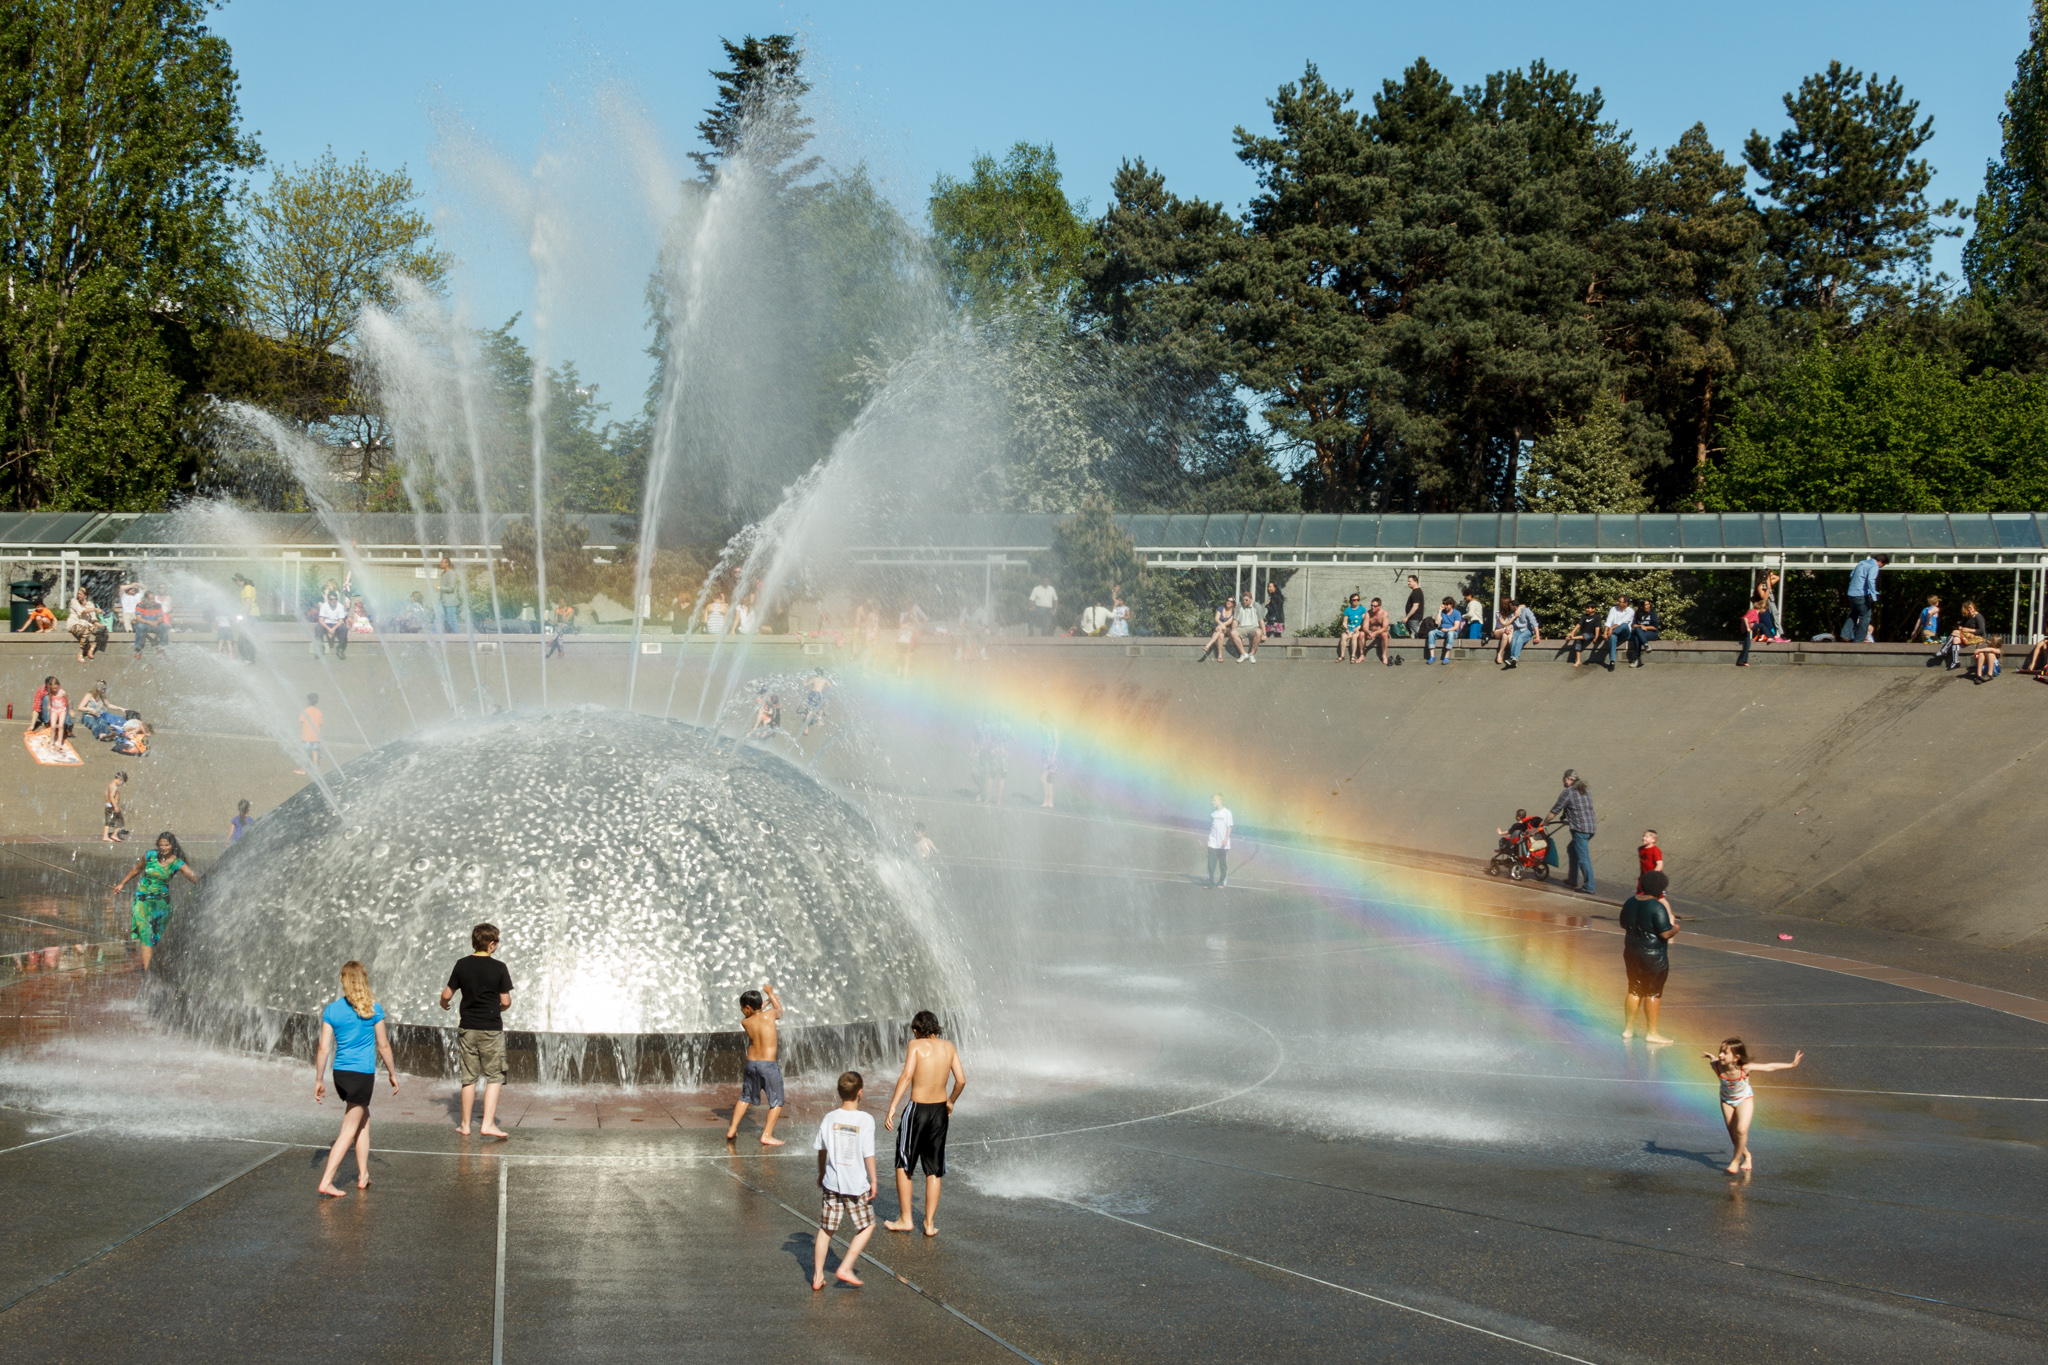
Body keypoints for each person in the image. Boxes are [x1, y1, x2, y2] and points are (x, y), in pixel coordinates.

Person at [313, 960, 399, 1198]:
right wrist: (392, 1073)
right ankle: (327, 1180)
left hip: (340, 1074)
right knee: (349, 1129)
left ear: (344, 981)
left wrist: (319, 1079)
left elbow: (323, 1048)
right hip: (362, 1075)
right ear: (363, 981)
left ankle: (363, 1175)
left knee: (363, 1120)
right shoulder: (373, 1008)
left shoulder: (332, 1010)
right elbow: (383, 1045)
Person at [883, 1009, 966, 1237]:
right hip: (939, 1110)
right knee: (934, 1169)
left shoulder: (915, 1045)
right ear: (936, 1028)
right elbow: (961, 1080)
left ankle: (906, 1219)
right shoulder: (949, 1047)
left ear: (916, 1030)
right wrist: (950, 1102)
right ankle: (929, 1224)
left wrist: (892, 1108)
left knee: (904, 1162)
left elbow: (906, 1076)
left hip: (917, 1111)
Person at [440, 922, 513, 1138]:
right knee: (495, 1075)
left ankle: (464, 1125)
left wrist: (443, 1004)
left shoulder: (462, 965)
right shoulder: (499, 967)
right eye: (497, 942)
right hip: (490, 1028)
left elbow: (446, 995)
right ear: (491, 944)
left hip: (467, 1027)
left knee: (469, 1076)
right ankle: (488, 1123)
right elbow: (506, 1001)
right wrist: (499, 1009)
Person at [811, 1070, 879, 1289]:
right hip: (856, 1184)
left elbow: (821, 1150)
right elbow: (868, 1153)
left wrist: (821, 1172)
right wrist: (874, 1180)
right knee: (867, 1225)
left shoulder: (829, 1118)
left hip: (832, 1183)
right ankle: (846, 1266)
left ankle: (818, 1276)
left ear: (839, 1093)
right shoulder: (865, 1120)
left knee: (826, 1230)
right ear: (860, 1093)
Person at [1705, 1038, 1802, 1175]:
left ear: (1736, 1057)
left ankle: (1735, 1161)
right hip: (1726, 1100)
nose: (1721, 1055)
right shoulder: (1716, 1065)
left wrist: (1791, 1065)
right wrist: (1712, 1057)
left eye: (1725, 1053)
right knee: (1733, 1135)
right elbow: (1714, 1059)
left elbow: (1769, 1067)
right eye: (1720, 1051)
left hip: (1744, 1099)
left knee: (1741, 1130)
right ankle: (1747, 1155)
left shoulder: (1745, 1068)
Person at [113, 831, 198, 970]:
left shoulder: (177, 863)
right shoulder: (150, 856)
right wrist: (122, 883)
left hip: (161, 904)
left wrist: (207, 882)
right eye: (161, 845)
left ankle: (160, 968)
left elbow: (192, 877)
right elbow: (136, 869)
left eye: (166, 845)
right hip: (142, 901)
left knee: (159, 937)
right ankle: (148, 974)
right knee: (146, 935)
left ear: (172, 845)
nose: (163, 848)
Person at [1619, 870, 1678, 1043]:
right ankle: (1652, 1033)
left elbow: (1623, 923)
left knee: (1634, 989)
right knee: (1653, 992)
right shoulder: (1656, 906)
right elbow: (1665, 933)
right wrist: (1676, 928)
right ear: (1660, 889)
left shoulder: (1630, 902)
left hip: (1631, 952)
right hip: (1653, 957)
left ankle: (1628, 1029)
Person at [725, 984, 786, 1146]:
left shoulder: (746, 1022)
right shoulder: (771, 1015)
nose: (742, 1012)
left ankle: (732, 1129)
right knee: (777, 1101)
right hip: (768, 1066)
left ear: (747, 1008)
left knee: (745, 1097)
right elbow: (779, 1010)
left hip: (751, 1065)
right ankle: (767, 1135)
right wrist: (771, 994)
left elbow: (756, 1013)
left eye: (742, 1008)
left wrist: (765, 1002)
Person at [1549, 769, 1597, 896]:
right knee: (1572, 849)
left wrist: (1544, 823)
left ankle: (1589, 886)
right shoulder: (1585, 790)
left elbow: (1555, 810)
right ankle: (1572, 879)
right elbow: (1580, 809)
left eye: (1563, 779)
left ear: (1568, 779)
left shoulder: (1568, 792)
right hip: (1591, 828)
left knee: (1583, 858)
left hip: (1580, 830)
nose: (1563, 782)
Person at [1841, 553, 1888, 644]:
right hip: (1861, 594)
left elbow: (1852, 575)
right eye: (1883, 565)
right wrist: (1873, 595)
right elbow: (1871, 579)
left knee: (1854, 613)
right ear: (1881, 561)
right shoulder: (1874, 566)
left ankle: (1845, 634)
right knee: (1865, 616)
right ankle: (1860, 639)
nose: (1882, 567)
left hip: (1851, 593)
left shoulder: (1862, 563)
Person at [1933, 600, 1987, 671]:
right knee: (1955, 640)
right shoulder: (1967, 617)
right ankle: (1955, 662)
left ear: (1974, 607)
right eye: (1968, 610)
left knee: (1954, 632)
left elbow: (1981, 630)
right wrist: (1960, 627)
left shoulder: (1978, 616)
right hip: (1969, 637)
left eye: (1971, 608)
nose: (1970, 611)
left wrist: (1967, 630)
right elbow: (1960, 624)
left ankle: (1944, 650)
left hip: (1978, 638)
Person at [1598, 594, 1635, 671]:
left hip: (1625, 634)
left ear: (1626, 603)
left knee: (1624, 625)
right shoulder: (1613, 609)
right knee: (1612, 637)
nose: (1617, 603)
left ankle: (1612, 633)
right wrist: (1605, 632)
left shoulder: (1630, 611)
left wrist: (1611, 629)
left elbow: (1621, 622)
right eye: (1618, 601)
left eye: (1620, 601)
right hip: (1613, 633)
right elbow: (1609, 620)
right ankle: (1612, 661)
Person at [1498, 598, 1539, 668]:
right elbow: (1512, 624)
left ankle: (1514, 658)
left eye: (1510, 606)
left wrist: (1537, 636)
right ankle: (1513, 659)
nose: (1509, 608)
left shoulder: (1526, 611)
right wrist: (1509, 627)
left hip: (1527, 630)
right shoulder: (1512, 614)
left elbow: (1534, 623)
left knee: (1520, 639)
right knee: (1514, 640)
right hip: (1518, 630)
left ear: (1514, 607)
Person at [1206, 793, 1233, 889]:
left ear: (1220, 801)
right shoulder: (1212, 813)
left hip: (1223, 844)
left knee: (1222, 864)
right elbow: (1212, 826)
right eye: (1212, 800)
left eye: (1214, 800)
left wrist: (1225, 839)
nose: (1212, 802)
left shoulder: (1227, 813)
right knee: (1211, 863)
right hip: (1212, 842)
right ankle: (1210, 882)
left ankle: (1222, 881)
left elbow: (1229, 827)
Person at [69, 589, 106, 660]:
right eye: (78, 594)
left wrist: (99, 624)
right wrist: (95, 609)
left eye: (80, 594)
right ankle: (80, 652)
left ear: (85, 596)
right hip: (74, 623)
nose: (78, 595)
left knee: (102, 629)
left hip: (87, 624)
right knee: (86, 632)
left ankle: (92, 648)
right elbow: (82, 611)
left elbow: (93, 619)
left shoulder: (90, 604)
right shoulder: (74, 601)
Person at [1424, 597, 1463, 663]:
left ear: (1451, 604)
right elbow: (1436, 622)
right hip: (1442, 630)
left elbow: (1456, 627)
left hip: (1452, 632)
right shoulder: (1443, 612)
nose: (1445, 606)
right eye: (1444, 604)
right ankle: (1432, 656)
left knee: (1450, 634)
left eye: (1447, 604)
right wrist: (1439, 611)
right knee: (1431, 633)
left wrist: (1447, 630)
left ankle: (1446, 656)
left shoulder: (1457, 613)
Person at [1035, 712, 1060, 808]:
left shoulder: (1054, 727)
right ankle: (1050, 802)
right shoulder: (1046, 728)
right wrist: (1038, 727)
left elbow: (1057, 743)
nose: (1042, 721)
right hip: (1046, 755)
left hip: (1050, 755)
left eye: (1043, 719)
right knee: (1049, 780)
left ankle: (1046, 800)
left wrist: (1053, 756)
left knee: (1043, 778)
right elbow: (1042, 738)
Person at [799, 669, 833, 737]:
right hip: (818, 695)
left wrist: (805, 677)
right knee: (817, 709)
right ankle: (816, 722)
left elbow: (805, 685)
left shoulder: (814, 679)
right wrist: (824, 687)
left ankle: (809, 727)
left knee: (817, 708)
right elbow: (831, 687)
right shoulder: (825, 680)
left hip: (812, 694)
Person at [316, 588, 349, 658]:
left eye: (335, 599)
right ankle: (320, 649)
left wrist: (333, 628)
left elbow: (340, 621)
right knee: (318, 628)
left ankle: (340, 650)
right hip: (326, 624)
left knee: (344, 629)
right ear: (328, 600)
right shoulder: (324, 606)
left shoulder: (340, 606)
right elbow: (321, 620)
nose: (334, 601)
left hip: (336, 624)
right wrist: (328, 629)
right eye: (332, 599)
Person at [1628, 598, 1660, 667]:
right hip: (1641, 633)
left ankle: (1636, 659)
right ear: (1642, 606)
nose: (1648, 606)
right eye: (1646, 605)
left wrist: (1646, 627)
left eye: (1649, 604)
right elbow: (1633, 625)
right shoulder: (1638, 613)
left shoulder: (1653, 613)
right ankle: (1646, 644)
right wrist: (1641, 626)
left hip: (1651, 633)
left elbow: (1655, 627)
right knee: (1637, 632)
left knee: (1637, 636)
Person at [1363, 597, 1392, 665]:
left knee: (1385, 635)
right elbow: (1364, 626)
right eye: (1371, 605)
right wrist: (1369, 633)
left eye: (1375, 606)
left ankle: (1384, 655)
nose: (1373, 607)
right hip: (1370, 632)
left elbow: (1385, 628)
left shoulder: (1384, 613)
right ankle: (1362, 655)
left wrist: (1375, 633)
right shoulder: (1368, 613)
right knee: (1361, 634)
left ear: (1379, 606)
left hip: (1380, 632)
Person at [436, 555, 461, 632]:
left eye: (442, 562)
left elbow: (451, 588)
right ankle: (434, 635)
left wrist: (440, 588)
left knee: (452, 620)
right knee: (438, 618)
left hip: (450, 602)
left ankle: (458, 638)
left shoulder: (451, 574)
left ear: (447, 564)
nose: (440, 563)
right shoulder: (444, 573)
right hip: (443, 601)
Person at [1338, 593, 1366, 663]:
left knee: (1354, 637)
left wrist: (1359, 628)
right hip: (1349, 629)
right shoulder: (1348, 610)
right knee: (1343, 636)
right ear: (1351, 601)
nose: (1356, 601)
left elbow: (1364, 621)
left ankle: (1353, 656)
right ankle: (1342, 655)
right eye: (1354, 600)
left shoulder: (1362, 609)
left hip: (1358, 629)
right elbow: (1344, 622)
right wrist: (1347, 629)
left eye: (1357, 600)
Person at [1234, 592, 1261, 663]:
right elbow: (1235, 620)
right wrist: (1232, 633)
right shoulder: (1239, 605)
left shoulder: (1256, 605)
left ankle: (1252, 654)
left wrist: (1264, 634)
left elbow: (1261, 620)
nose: (1244, 601)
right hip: (1242, 627)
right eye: (1243, 600)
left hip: (1253, 627)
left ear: (1251, 599)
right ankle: (1244, 654)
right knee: (1233, 632)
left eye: (1246, 600)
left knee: (1258, 632)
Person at [103, 772, 129, 844]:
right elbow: (111, 797)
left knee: (108, 822)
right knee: (120, 821)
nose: (122, 785)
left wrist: (108, 803)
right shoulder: (114, 786)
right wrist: (115, 806)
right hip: (112, 806)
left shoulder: (109, 785)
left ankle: (105, 836)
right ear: (120, 779)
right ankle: (114, 835)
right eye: (123, 783)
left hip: (108, 805)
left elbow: (106, 795)